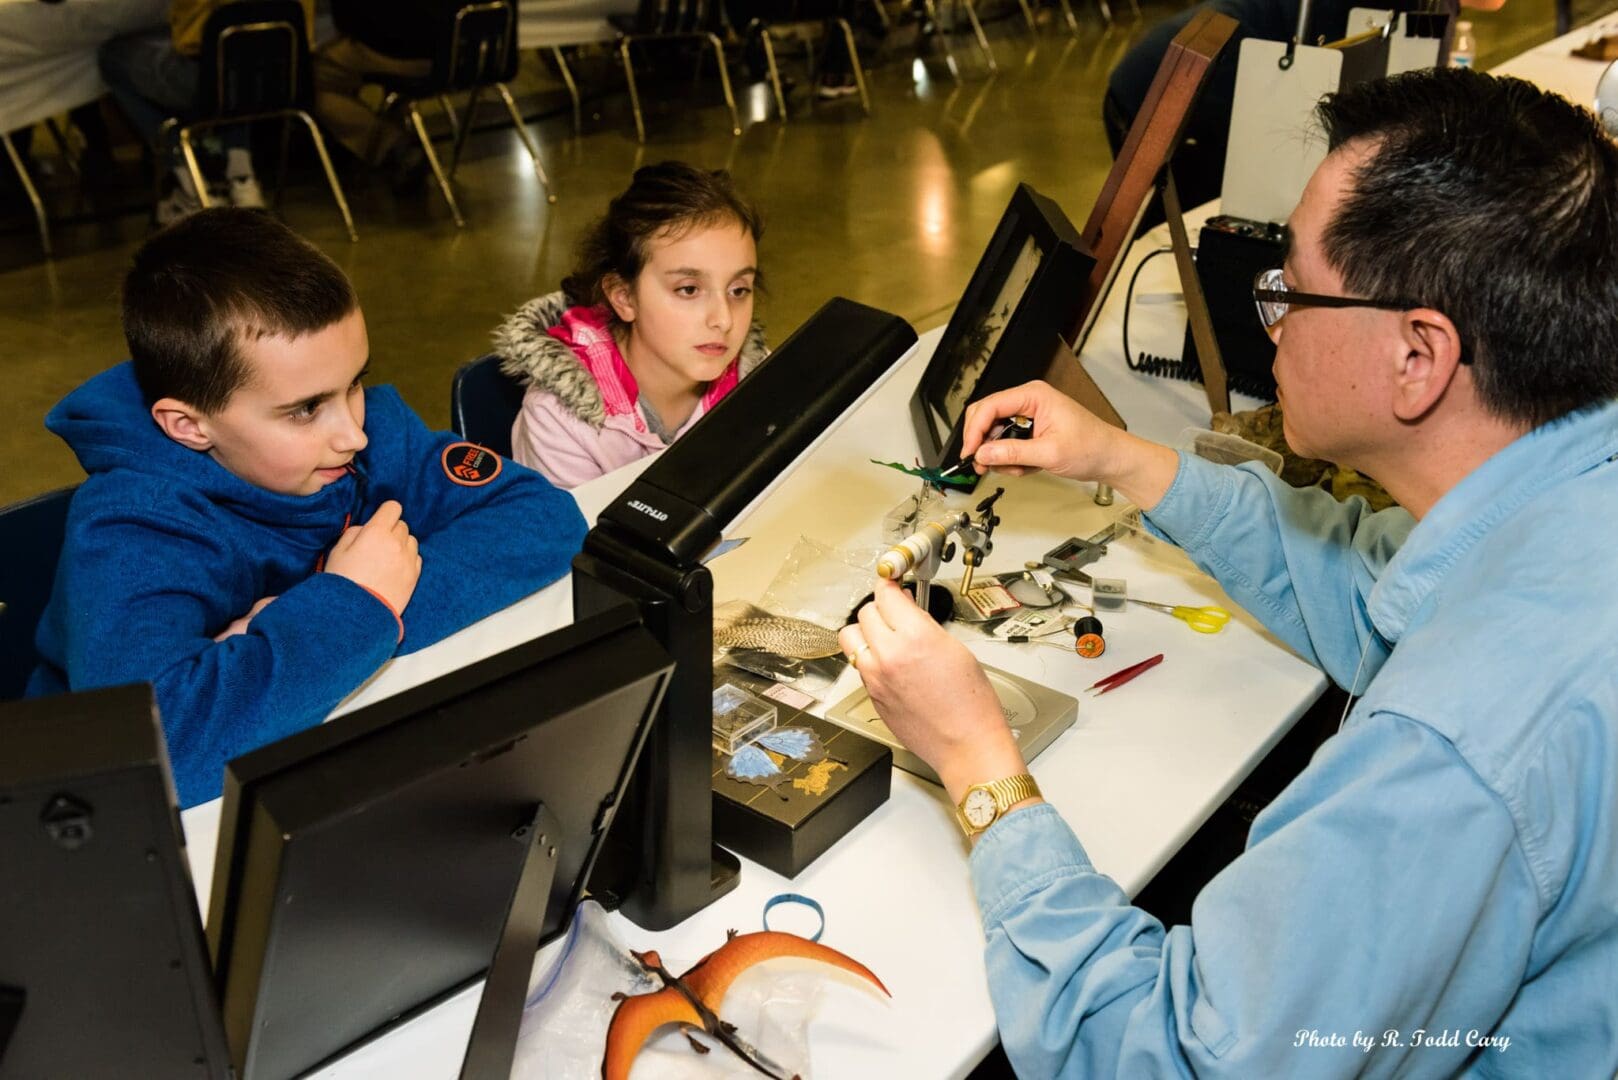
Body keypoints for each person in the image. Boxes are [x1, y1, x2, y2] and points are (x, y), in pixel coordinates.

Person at [842, 67, 1618, 1077]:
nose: (1275, 320)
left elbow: (1178, 1059)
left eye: (1290, 289)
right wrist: (1124, 461)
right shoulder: (1556, 495)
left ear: (1418, 358)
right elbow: (1375, 597)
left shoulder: (1450, 749)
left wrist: (978, 764)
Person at [28, 208, 588, 809]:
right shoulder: (128, 532)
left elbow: (542, 517)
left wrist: (340, 615)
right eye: (304, 409)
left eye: (355, 383)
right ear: (189, 426)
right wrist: (353, 605)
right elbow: (158, 752)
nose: (353, 433)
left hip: (324, 761)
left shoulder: (366, 435)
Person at [1104, 0, 1505, 227]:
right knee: (1196, 232)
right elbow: (1361, 116)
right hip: (1161, 90)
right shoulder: (1376, 9)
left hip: (1220, 81)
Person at [493, 161, 767, 488]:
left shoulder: (757, 377)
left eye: (739, 290)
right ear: (624, 297)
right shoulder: (559, 421)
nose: (723, 319)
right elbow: (577, 538)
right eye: (689, 289)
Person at [98, 1, 308, 223]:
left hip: (209, 80)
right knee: (240, 48)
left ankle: (186, 180)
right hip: (283, 77)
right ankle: (241, 176)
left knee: (110, 56)